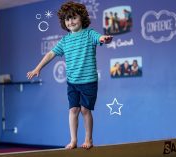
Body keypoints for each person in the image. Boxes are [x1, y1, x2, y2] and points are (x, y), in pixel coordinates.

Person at [27, 1, 113, 150]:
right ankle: (73, 140)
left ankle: (88, 139)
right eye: (67, 19)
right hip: (72, 82)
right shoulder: (65, 40)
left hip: (88, 81)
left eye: (74, 18)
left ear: (82, 18)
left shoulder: (89, 34)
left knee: (85, 110)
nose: (71, 22)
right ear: (64, 22)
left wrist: (103, 38)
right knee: (73, 110)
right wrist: (37, 68)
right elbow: (51, 54)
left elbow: (99, 37)